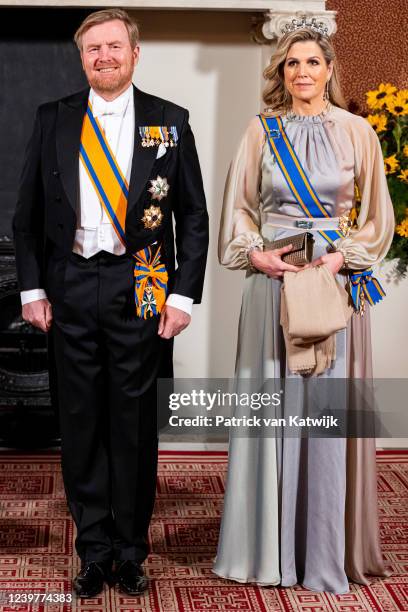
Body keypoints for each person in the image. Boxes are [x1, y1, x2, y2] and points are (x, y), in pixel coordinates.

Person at [13, 9, 208, 599]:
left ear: (135, 53)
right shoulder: (54, 119)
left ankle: (130, 551)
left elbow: (193, 217)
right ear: (82, 57)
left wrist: (182, 294)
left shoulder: (169, 122)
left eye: (114, 46)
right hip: (70, 282)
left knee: (133, 424)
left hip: (142, 281)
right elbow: (26, 218)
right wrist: (31, 288)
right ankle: (93, 551)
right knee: (80, 424)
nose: (104, 56)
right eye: (92, 48)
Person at [214, 24, 394, 593]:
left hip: (333, 288)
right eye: (292, 63)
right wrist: (259, 257)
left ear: (329, 69)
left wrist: (342, 259)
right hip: (275, 286)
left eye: (312, 62)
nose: (302, 72)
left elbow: (378, 220)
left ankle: (322, 550)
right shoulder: (260, 132)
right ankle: (267, 550)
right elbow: (239, 211)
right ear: (280, 72)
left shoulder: (357, 131)